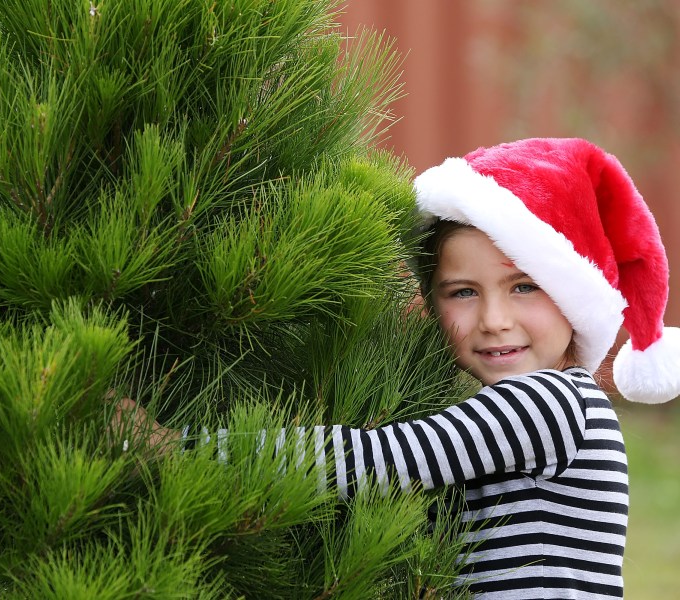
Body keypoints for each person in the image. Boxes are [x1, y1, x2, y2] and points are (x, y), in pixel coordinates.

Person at [115, 138, 680, 599]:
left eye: (524, 286)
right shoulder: (543, 410)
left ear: (575, 294)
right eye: (462, 292)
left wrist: (182, 448)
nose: (493, 319)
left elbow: (379, 459)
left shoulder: (551, 404)